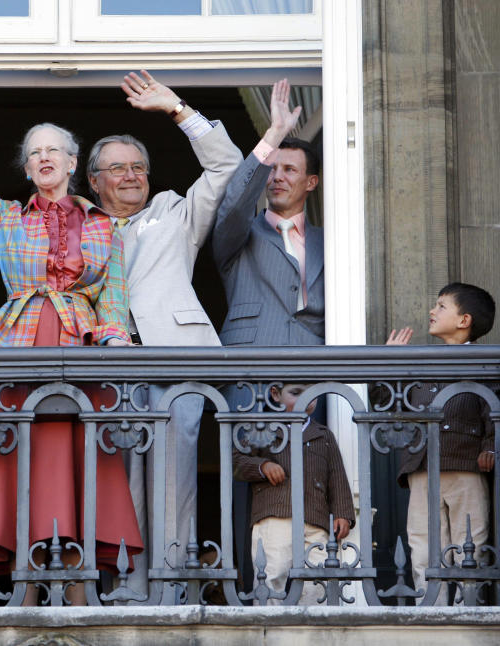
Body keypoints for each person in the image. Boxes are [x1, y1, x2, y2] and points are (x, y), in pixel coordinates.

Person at [0, 37, 142, 605]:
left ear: (75, 164)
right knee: (22, 463)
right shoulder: (4, 217)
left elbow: (115, 297)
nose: (45, 158)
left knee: (80, 467)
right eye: (35, 153)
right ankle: (27, 585)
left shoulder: (103, 226)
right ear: (27, 167)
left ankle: (78, 586)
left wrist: (118, 342)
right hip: (19, 351)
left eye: (55, 150)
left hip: (82, 352)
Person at [86, 70, 242, 594]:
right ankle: (127, 589)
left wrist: (177, 109)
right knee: (117, 480)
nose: (130, 176)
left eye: (138, 167)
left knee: (174, 480)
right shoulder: (77, 223)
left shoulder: (174, 211)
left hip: (176, 359)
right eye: (117, 169)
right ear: (94, 181)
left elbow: (226, 165)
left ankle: (173, 586)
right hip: (106, 362)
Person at [386, 282, 496, 605]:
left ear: (465, 320)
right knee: (423, 543)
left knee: (470, 543)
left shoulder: (483, 361)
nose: (432, 311)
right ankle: (430, 611)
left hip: (466, 466)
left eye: (441, 306)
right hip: (422, 467)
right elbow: (388, 405)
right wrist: (390, 365)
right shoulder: (419, 361)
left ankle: (468, 610)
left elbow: (494, 410)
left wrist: (490, 446)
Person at [212, 79, 322, 349]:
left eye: (290, 170)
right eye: (272, 169)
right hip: (250, 370)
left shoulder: (327, 242)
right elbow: (235, 204)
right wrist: (273, 134)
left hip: (312, 372)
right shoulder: (241, 233)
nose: (277, 178)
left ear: (311, 182)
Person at [232, 384, 354, 605]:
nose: (306, 399)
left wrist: (343, 512)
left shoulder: (323, 435)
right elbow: (236, 461)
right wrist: (263, 466)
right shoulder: (263, 428)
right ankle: (269, 628)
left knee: (320, 578)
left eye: (312, 395)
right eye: (296, 393)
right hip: (275, 514)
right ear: (276, 394)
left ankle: (311, 631)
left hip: (316, 520)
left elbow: (336, 475)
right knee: (271, 573)